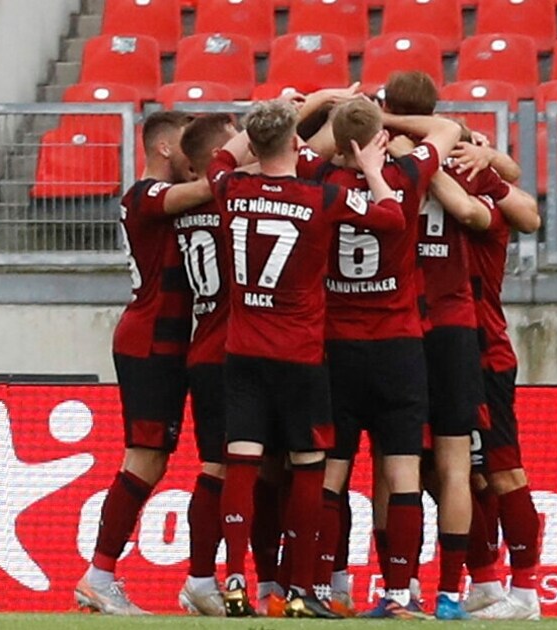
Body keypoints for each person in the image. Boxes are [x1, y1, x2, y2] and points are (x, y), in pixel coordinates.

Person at [207, 99, 407, 619]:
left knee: (243, 464)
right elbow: (391, 216)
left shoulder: (231, 189)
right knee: (307, 468)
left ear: (254, 146)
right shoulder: (322, 197)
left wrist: (274, 120)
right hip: (299, 353)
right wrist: (372, 171)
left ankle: (234, 579)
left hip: (243, 349)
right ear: (297, 146)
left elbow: (220, 161)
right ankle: (299, 590)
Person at [300, 98, 460, 619]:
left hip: (336, 345)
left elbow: (296, 148)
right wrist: (383, 127)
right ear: (378, 140)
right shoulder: (408, 174)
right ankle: (400, 591)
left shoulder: (318, 179)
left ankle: (324, 586)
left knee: (332, 473)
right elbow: (447, 127)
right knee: (403, 472)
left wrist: (335, 115)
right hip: (397, 345)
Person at [74, 111, 213, 616]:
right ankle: (100, 575)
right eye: (186, 143)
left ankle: (105, 575)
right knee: (145, 458)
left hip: (169, 339)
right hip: (150, 338)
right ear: (162, 148)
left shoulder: (161, 199)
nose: (195, 153)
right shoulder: (145, 194)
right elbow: (206, 189)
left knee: (154, 458)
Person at [382, 70, 495, 621]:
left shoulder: (374, 163)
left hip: (398, 325)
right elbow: (490, 209)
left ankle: (398, 589)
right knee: (454, 463)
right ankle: (452, 592)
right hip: (452, 322)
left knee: (392, 463)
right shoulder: (458, 159)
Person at [455, 140, 546, 622]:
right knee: (462, 473)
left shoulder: (480, 194)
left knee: (504, 469)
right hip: (439, 354)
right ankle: (486, 583)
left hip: (483, 354)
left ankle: (526, 591)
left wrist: (490, 164)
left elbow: (530, 215)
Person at [173, 114, 238, 617]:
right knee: (233, 468)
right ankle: (204, 577)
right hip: (234, 351)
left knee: (224, 467)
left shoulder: (186, 208)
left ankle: (209, 578)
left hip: (207, 344)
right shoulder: (230, 198)